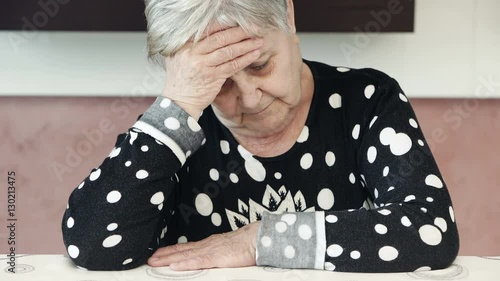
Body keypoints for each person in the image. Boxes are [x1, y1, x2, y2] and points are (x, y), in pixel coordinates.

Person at [61, 0, 459, 272]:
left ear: (289, 15)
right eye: (218, 83)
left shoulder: (367, 101)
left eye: (260, 65)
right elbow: (92, 245)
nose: (249, 99)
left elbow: (430, 228)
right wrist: (178, 104)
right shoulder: (182, 124)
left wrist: (258, 241)